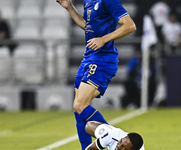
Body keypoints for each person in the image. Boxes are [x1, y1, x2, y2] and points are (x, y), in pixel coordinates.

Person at [57, 0, 136, 149]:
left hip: (103, 59)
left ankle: (115, 139)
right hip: (89, 57)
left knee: (80, 105)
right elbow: (87, 25)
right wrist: (70, 8)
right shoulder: (88, 1)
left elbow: (130, 25)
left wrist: (103, 39)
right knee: (78, 108)